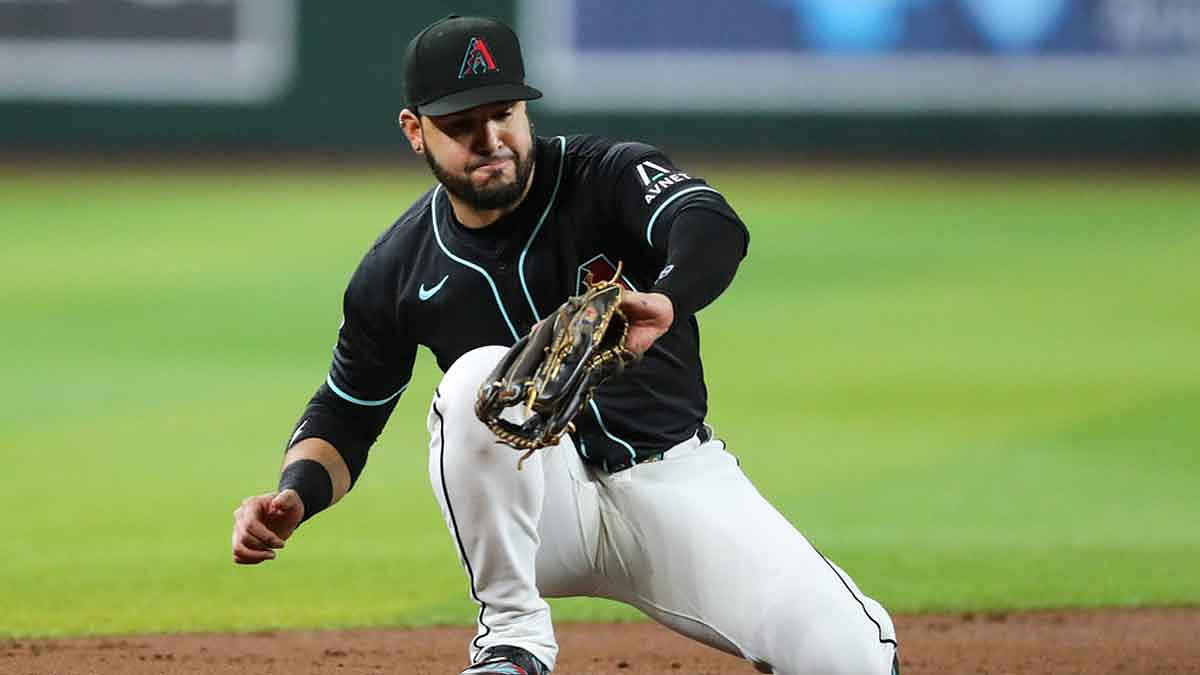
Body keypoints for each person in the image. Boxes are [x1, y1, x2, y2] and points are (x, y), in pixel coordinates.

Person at [231, 14, 899, 675]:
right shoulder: (398, 267)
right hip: (540, 514)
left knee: (849, 656)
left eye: (503, 114)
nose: (490, 138)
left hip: (674, 480)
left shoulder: (602, 175)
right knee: (475, 381)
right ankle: (512, 638)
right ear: (415, 131)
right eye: (462, 124)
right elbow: (346, 413)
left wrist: (667, 298)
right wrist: (295, 493)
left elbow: (709, 221)